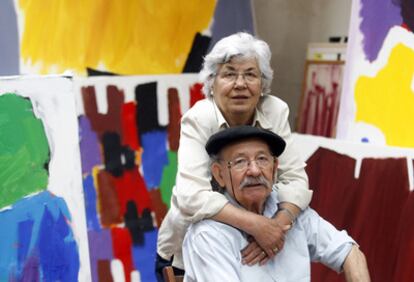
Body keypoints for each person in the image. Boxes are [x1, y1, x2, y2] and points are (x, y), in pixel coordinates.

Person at [156, 32, 313, 279]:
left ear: (263, 83)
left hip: (253, 246)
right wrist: (257, 225)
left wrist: (277, 225)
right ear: (211, 82)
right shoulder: (199, 118)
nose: (240, 84)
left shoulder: (275, 110)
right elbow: (191, 197)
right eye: (229, 74)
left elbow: (295, 180)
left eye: (250, 74)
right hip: (191, 251)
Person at [182, 126, 371, 282]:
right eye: (240, 162)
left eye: (262, 159)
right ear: (219, 174)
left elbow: (350, 253)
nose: (255, 171)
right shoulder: (208, 234)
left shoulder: (290, 211)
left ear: (274, 168)